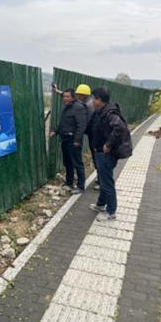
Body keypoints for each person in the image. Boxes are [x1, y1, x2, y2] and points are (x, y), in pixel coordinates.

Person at [87, 87, 132, 221]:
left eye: (93, 98)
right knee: (103, 178)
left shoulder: (110, 113)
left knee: (107, 182)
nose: (92, 101)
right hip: (101, 152)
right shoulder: (101, 111)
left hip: (106, 153)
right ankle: (101, 204)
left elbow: (120, 128)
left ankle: (111, 212)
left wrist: (108, 144)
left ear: (99, 100)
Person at [49, 85, 89, 194]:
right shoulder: (67, 107)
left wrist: (77, 140)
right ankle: (69, 182)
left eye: (67, 97)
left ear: (73, 97)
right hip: (65, 139)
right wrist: (56, 131)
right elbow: (63, 123)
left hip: (73, 141)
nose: (65, 98)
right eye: (64, 97)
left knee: (77, 163)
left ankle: (81, 186)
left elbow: (82, 126)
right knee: (67, 162)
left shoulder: (79, 107)